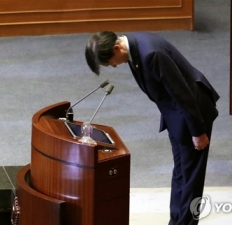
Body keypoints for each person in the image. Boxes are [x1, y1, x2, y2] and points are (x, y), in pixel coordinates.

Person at [85, 31, 219, 225]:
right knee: (181, 172)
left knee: (191, 179)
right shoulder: (132, 47)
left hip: (193, 114)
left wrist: (197, 131)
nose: (114, 66)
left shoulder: (151, 53)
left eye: (110, 62)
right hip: (176, 116)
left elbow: (182, 93)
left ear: (116, 48)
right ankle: (176, 221)